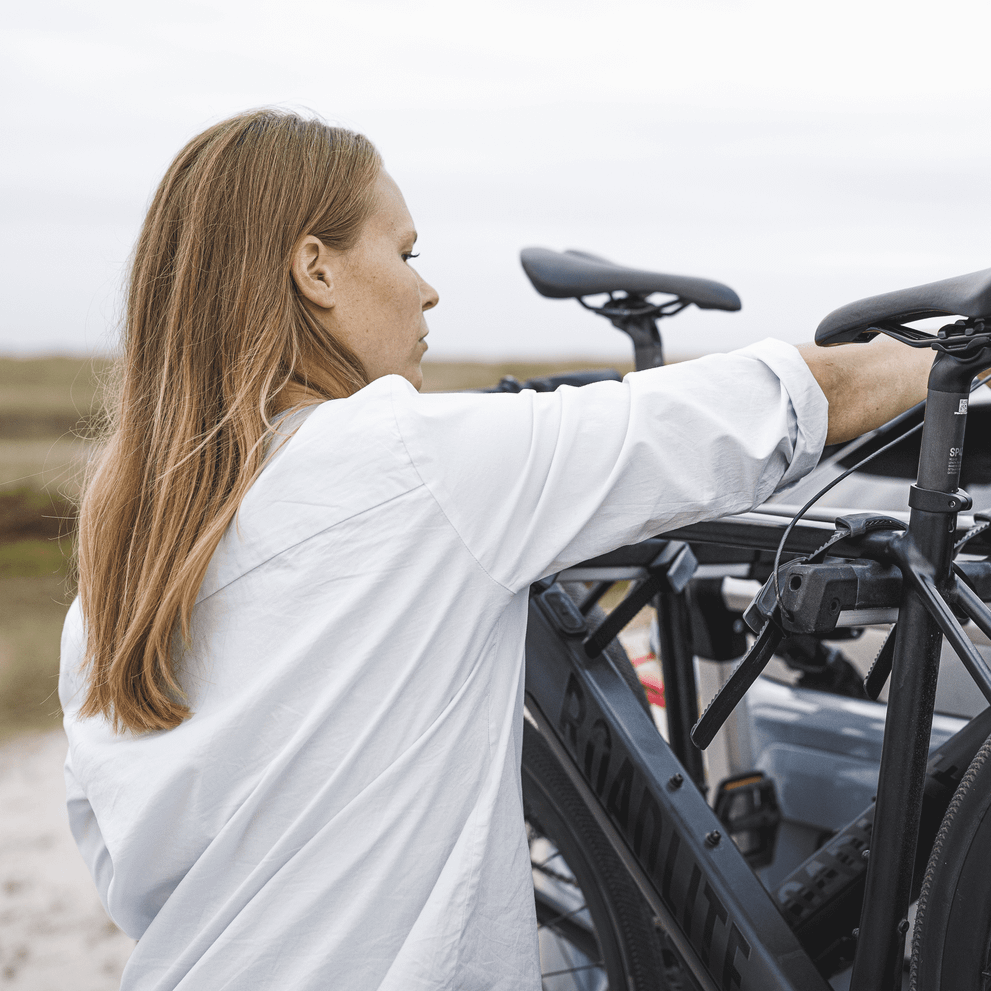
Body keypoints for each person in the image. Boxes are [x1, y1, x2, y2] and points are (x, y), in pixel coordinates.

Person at [59, 108, 935, 991]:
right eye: (404, 254)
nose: (427, 291)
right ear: (315, 269)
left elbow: (123, 870)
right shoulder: (402, 464)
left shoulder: (115, 575)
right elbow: (758, 407)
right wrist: (952, 353)